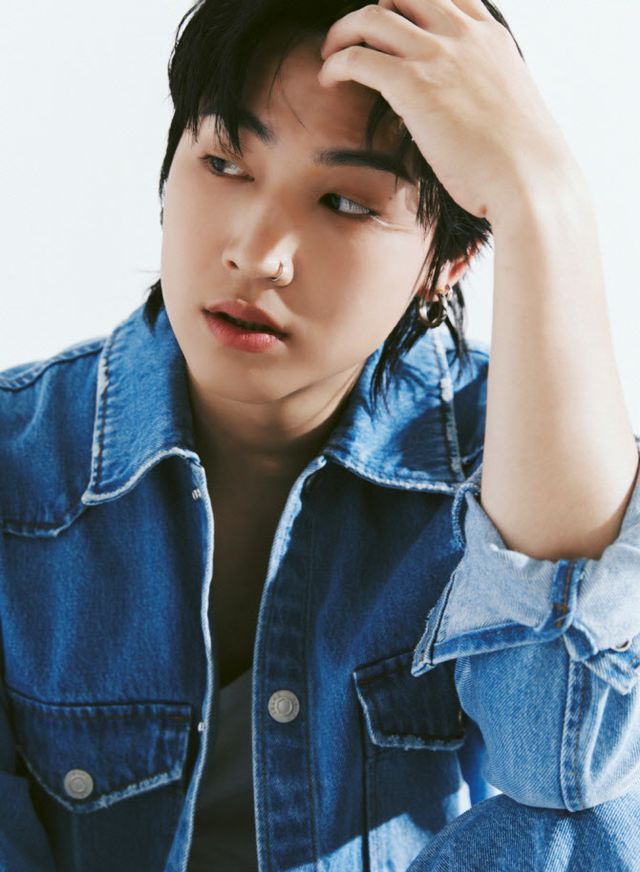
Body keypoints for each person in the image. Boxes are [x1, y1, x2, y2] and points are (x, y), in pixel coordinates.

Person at [1, 1, 639, 870]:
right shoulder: (17, 462)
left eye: (344, 202)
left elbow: (574, 775)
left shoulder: (517, 458)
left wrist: (545, 198)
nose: (258, 253)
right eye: (225, 162)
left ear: (445, 264)